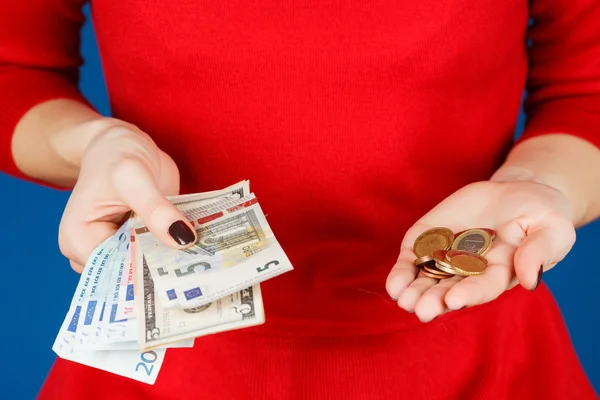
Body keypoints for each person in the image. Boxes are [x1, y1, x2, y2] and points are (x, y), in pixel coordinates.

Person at [1, 1, 599, 399]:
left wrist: (543, 189)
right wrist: (94, 145)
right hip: (163, 363)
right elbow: (12, 70)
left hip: (482, 361)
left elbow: (587, 89)